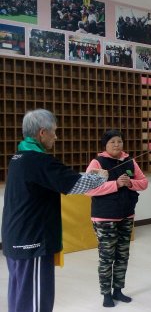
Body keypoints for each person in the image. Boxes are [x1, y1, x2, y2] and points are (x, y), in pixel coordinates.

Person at [2, 109, 108, 312]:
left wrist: (86, 174)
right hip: (31, 242)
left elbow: (57, 178)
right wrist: (100, 177)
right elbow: (73, 185)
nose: (56, 136)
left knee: (20, 295)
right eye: (54, 131)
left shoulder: (19, 157)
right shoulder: (38, 160)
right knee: (34, 302)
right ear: (42, 133)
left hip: (16, 238)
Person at [85, 130, 148, 308]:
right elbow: (89, 190)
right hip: (104, 218)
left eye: (119, 141)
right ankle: (106, 293)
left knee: (123, 256)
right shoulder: (97, 162)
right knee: (106, 257)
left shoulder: (130, 161)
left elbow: (143, 183)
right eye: (112, 142)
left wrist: (130, 183)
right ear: (105, 145)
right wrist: (116, 184)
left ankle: (118, 290)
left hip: (126, 216)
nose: (116, 145)